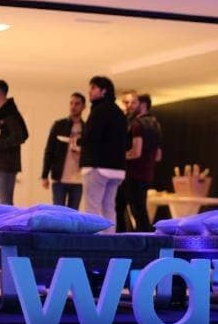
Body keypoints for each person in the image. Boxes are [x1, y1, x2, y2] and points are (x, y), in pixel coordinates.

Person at [79, 75, 128, 228]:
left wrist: (79, 142)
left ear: (104, 91)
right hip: (117, 169)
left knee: (92, 207)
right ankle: (110, 238)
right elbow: (126, 142)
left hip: (97, 166)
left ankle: (93, 240)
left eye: (93, 88)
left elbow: (91, 137)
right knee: (109, 207)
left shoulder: (98, 111)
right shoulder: (120, 113)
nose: (90, 91)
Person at [116, 93, 163, 232]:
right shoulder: (156, 124)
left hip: (132, 173)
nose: (130, 106)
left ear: (142, 105)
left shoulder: (137, 124)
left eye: (134, 103)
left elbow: (136, 152)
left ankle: (127, 237)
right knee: (136, 208)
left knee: (128, 208)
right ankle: (138, 236)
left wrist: (118, 156)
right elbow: (158, 156)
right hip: (147, 174)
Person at [41, 92, 87, 209]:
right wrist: (44, 175)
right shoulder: (59, 125)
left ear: (83, 106)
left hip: (78, 179)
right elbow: (49, 150)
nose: (73, 106)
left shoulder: (87, 128)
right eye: (71, 103)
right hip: (59, 178)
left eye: (77, 104)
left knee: (73, 212)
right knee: (58, 212)